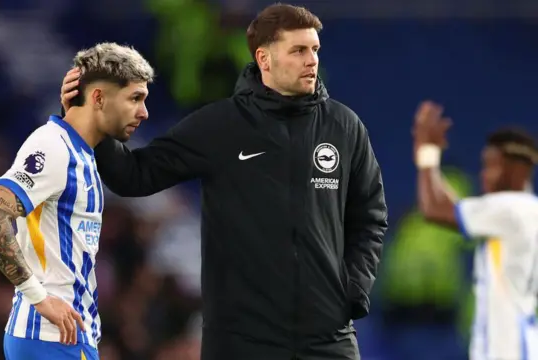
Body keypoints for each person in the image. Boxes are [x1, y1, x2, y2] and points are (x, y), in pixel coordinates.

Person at [61, 4, 388, 359]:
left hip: (326, 336)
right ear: (265, 58)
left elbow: (369, 214)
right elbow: (134, 174)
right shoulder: (221, 126)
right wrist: (95, 121)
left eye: (314, 49)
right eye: (298, 50)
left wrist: (353, 290)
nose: (311, 60)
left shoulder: (344, 126)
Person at [0, 42, 154, 360]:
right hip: (49, 336)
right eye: (134, 98)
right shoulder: (53, 147)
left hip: (68, 336)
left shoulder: (84, 155)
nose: (144, 112)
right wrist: (39, 298)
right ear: (99, 98)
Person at [413, 100, 538, 360]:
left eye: (491, 166)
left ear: (516, 170)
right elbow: (456, 207)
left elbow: (434, 209)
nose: (484, 175)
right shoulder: (525, 211)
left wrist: (426, 153)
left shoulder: (509, 209)